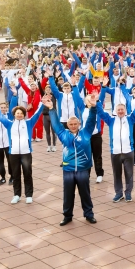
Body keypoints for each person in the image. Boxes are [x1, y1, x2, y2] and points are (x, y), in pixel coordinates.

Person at [46, 93, 99, 225]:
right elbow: (56, 124)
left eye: (75, 123)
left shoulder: (86, 132)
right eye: (71, 124)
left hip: (83, 168)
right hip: (68, 169)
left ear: (79, 124)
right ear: (68, 125)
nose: (73, 126)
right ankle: (67, 216)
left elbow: (91, 120)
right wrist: (51, 109)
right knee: (68, 194)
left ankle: (89, 214)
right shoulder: (63, 134)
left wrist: (93, 108)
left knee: (85, 193)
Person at [0, 95, 46, 204]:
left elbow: (37, 114)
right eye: (17, 113)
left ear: (24, 114)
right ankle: (17, 195)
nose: (19, 115)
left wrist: (42, 103)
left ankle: (28, 195)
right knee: (16, 175)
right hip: (13, 153)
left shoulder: (29, 123)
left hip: (26, 153)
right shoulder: (9, 124)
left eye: (21, 113)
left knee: (27, 174)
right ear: (14, 114)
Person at [96, 99, 135, 202]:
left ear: (125, 110)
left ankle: (128, 193)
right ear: (115, 111)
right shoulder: (111, 120)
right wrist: (97, 101)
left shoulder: (130, 119)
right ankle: (119, 193)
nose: (120, 111)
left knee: (129, 174)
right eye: (118, 110)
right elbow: (101, 112)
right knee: (116, 174)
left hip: (128, 152)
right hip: (115, 152)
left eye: (122, 109)